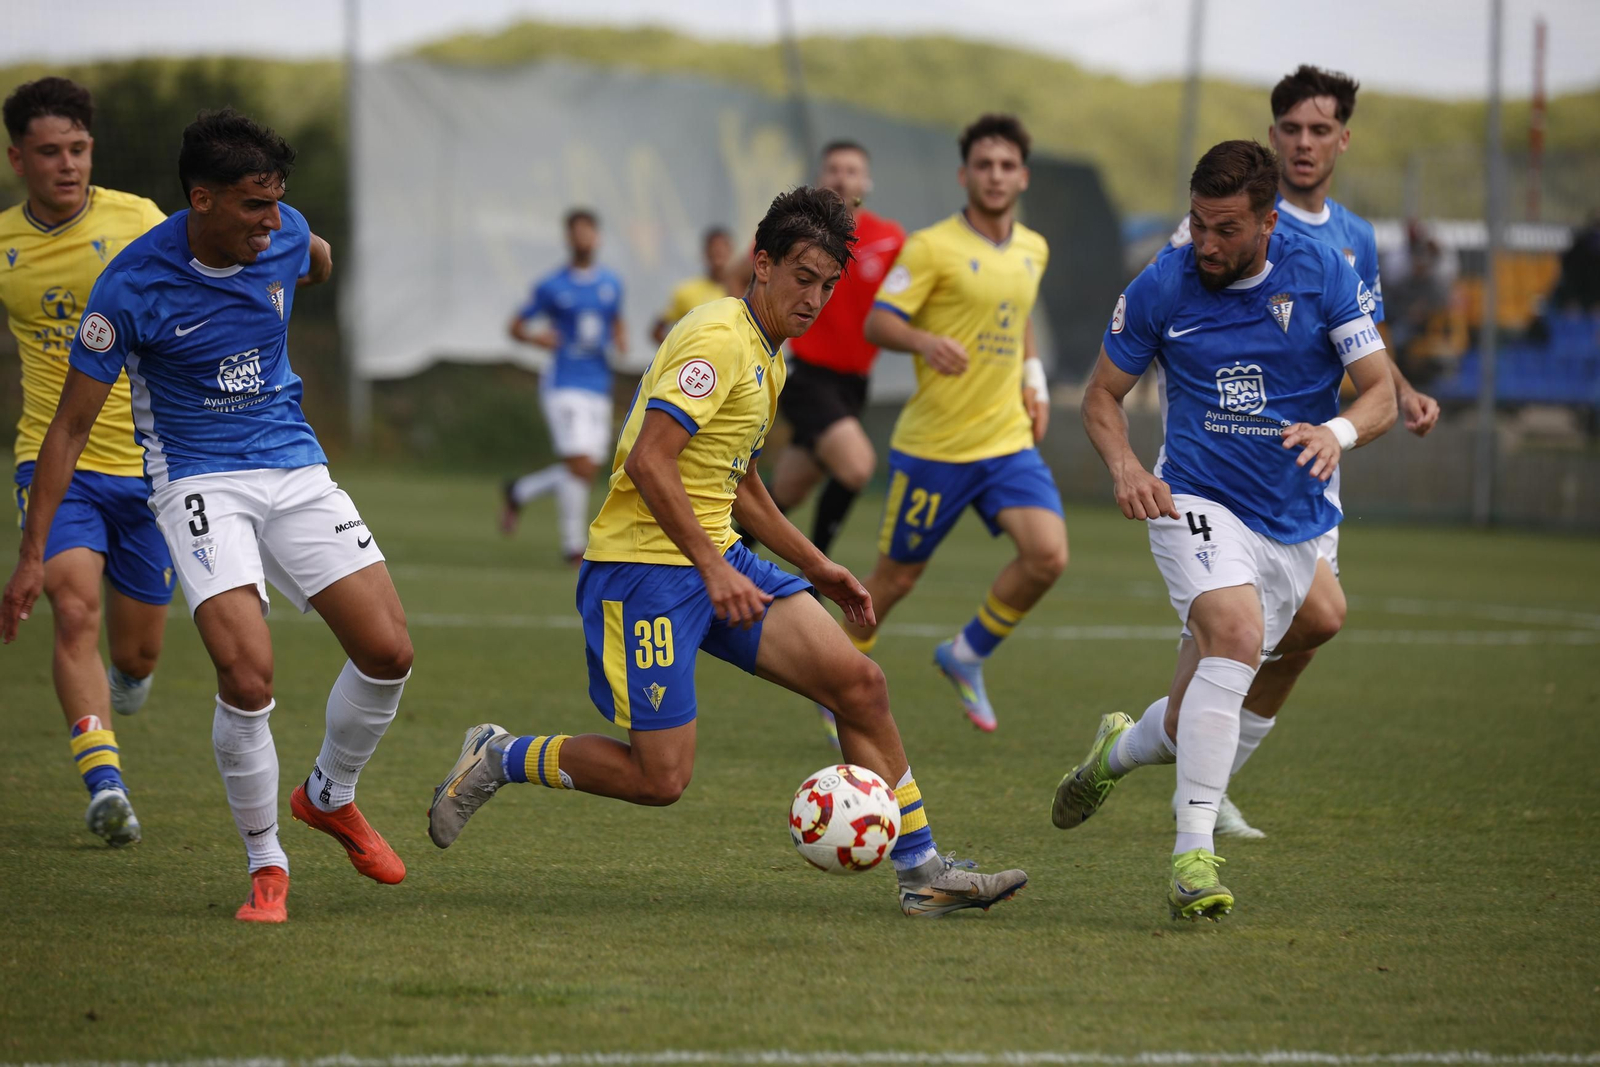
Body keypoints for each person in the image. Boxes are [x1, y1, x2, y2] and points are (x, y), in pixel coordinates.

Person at [427, 186, 1026, 919]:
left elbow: (734, 481)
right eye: (803, 278)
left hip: (718, 561)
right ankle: (499, 755)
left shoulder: (770, 354)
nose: (815, 298)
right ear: (763, 264)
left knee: (859, 685)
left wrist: (816, 564)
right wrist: (712, 570)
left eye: (828, 285)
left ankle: (922, 869)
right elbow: (651, 461)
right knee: (660, 778)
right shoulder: (718, 337)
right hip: (644, 568)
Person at [2, 108, 415, 924]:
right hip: (196, 480)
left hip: (294, 464)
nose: (274, 221)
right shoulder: (129, 288)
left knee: (390, 651)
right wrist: (29, 554)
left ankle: (328, 795)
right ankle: (268, 866)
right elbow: (71, 428)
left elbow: (315, 257)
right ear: (202, 200)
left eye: (278, 202)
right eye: (254, 206)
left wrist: (306, 260)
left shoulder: (286, 234)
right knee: (247, 671)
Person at [1056, 140, 1397, 920]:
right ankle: (1192, 855)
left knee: (1265, 660)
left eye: (1225, 229)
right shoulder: (1165, 282)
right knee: (1238, 634)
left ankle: (1118, 749)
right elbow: (1102, 396)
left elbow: (1377, 391)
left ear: (1268, 222)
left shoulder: (1323, 271)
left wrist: (1335, 434)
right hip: (1193, 499)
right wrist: (1128, 469)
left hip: (1293, 514)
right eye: (1197, 223)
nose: (1205, 243)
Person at [1163, 65, 1440, 838]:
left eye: (1321, 130)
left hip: (1309, 470)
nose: (1305, 142)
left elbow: (1363, 339)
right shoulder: (1232, 217)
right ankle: (1199, 795)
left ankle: (1204, 776)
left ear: (1343, 140)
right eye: (1291, 128)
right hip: (1221, 471)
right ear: (1273, 133)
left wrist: (1401, 393)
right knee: (1247, 633)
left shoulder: (1350, 240)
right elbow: (1174, 288)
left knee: (1313, 628)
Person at [846, 113, 1063, 733]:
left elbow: (1016, 315)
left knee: (1047, 556)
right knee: (894, 580)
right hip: (936, 446)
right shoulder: (931, 246)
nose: (995, 176)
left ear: (1022, 177)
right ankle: (835, 677)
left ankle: (965, 655)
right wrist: (923, 341)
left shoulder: (1033, 248)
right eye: (984, 165)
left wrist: (1034, 382)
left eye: (1007, 166)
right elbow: (878, 321)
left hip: (1006, 440)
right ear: (964, 174)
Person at [1, 77, 172, 847]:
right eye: (48, 152)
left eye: (77, 149)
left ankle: (129, 680)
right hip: (52, 458)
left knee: (137, 652)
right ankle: (105, 784)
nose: (66, 165)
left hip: (145, 469)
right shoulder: (5, 249)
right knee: (73, 610)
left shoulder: (138, 220)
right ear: (17, 160)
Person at [766, 140, 905, 558]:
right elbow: (746, 268)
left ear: (867, 181)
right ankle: (818, 569)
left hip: (854, 386)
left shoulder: (890, 240)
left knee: (787, 489)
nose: (842, 177)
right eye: (834, 169)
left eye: (852, 170)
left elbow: (924, 292)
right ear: (820, 179)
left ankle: (720, 558)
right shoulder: (800, 236)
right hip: (808, 377)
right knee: (857, 466)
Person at [501, 209, 627, 562]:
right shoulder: (552, 286)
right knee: (581, 464)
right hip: (564, 383)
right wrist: (535, 339)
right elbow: (515, 326)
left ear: (597, 237)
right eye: (576, 232)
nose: (583, 238)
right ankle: (573, 547)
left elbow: (616, 320)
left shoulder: (611, 284)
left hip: (598, 384)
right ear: (568, 239)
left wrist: (619, 336)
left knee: (587, 468)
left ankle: (519, 491)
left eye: (588, 231)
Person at [652, 226, 733, 344]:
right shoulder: (686, 291)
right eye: (714, 249)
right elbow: (657, 331)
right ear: (705, 253)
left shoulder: (745, 291)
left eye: (722, 248)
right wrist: (678, 353)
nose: (718, 252)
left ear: (731, 251)